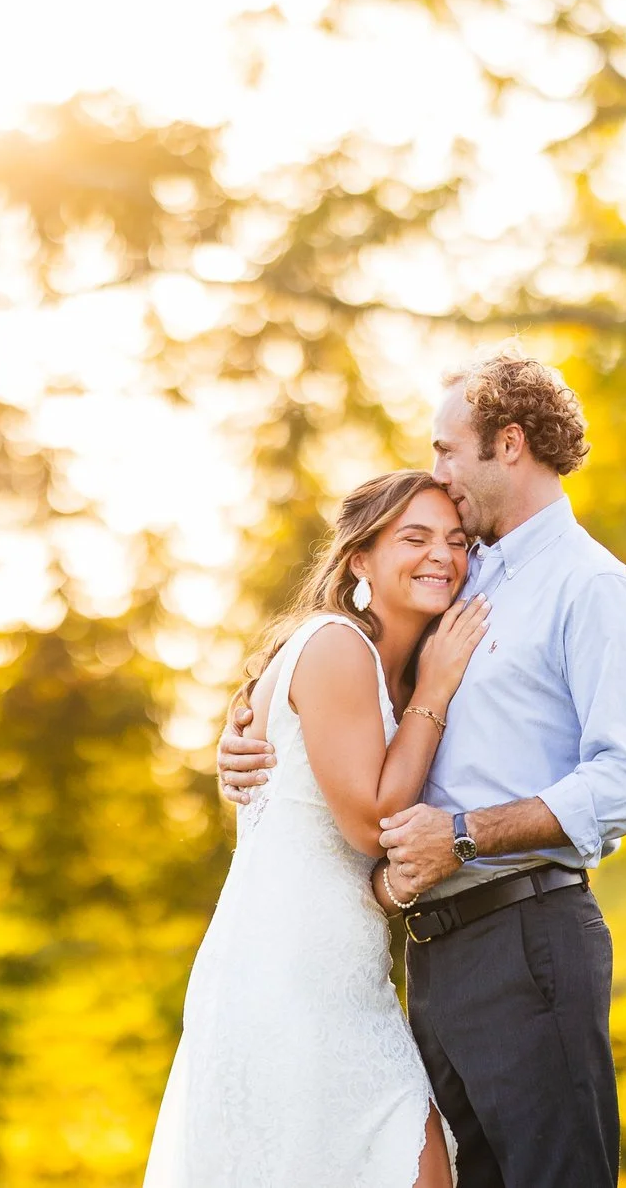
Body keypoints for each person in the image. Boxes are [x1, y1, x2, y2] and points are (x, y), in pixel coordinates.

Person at [217, 355, 626, 1188]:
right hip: (429, 951)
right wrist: (247, 724)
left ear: (511, 443)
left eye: (448, 450)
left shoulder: (591, 587)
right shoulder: (458, 574)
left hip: (528, 935)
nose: (438, 472)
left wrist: (463, 835)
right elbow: (349, 683)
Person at [145, 471, 490, 1188]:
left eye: (457, 541)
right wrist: (435, 691)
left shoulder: (387, 670)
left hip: (348, 975)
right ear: (359, 558)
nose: (442, 556)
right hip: (284, 975)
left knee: (414, 1163)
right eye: (415, 537)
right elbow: (372, 823)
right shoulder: (337, 646)